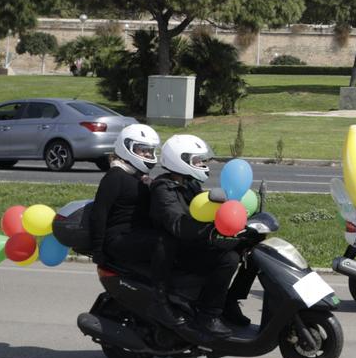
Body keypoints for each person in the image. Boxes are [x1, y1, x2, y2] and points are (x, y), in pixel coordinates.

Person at [149, 134, 245, 335]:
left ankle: (228, 301)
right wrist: (212, 230)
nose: (201, 164)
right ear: (179, 160)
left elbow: (206, 208)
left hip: (192, 243)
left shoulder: (190, 183)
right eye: (196, 160)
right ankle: (208, 315)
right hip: (176, 252)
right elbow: (177, 224)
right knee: (229, 259)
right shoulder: (163, 188)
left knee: (243, 249)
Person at [88, 122, 160, 271]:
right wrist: (98, 250)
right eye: (142, 150)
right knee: (163, 244)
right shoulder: (115, 176)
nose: (148, 154)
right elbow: (99, 213)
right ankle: (161, 289)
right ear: (126, 147)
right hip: (119, 237)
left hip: (139, 234)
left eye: (150, 150)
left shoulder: (139, 176)